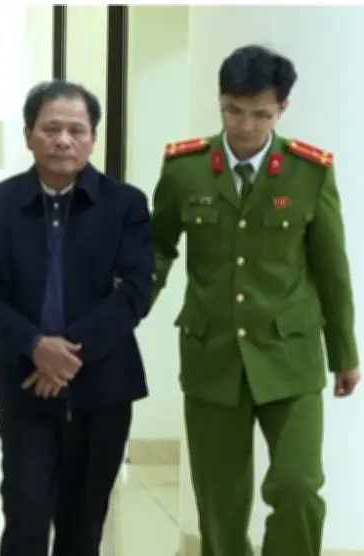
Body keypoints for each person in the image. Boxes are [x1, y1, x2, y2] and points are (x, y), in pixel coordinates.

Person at [150, 44, 360, 556]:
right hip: (212, 354)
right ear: (220, 101)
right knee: (219, 500)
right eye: (233, 111)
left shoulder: (309, 171)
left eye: (261, 114)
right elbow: (157, 250)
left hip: (289, 355)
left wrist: (345, 352)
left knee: (298, 486)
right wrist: (119, 316)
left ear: (282, 109)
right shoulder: (185, 168)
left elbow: (332, 269)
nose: (245, 126)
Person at [0, 81, 154, 556]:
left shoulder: (125, 205)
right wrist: (36, 347)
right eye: (50, 129)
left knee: (83, 524)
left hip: (102, 386)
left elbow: (134, 291)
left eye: (76, 130)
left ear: (93, 138)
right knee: (25, 515)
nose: (63, 140)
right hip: (23, 382)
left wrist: (67, 354)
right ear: (29, 135)